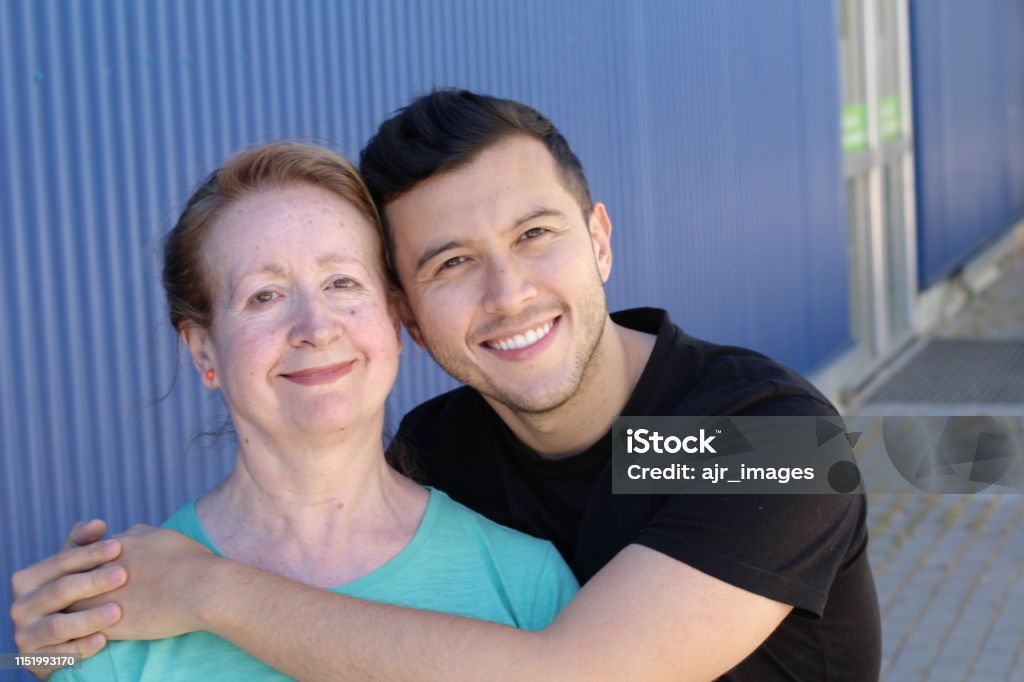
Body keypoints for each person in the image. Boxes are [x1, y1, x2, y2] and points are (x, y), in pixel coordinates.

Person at [12, 90, 881, 681]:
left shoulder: (761, 437)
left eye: (537, 234)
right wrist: (67, 633)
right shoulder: (444, 447)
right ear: (410, 316)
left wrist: (207, 590)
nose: (509, 295)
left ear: (600, 240)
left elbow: (572, 676)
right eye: (452, 262)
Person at [11, 140, 578, 680]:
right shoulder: (115, 603)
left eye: (342, 282)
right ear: (203, 350)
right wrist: (37, 662)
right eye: (264, 295)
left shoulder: (526, 582)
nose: (316, 327)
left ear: (393, 319)